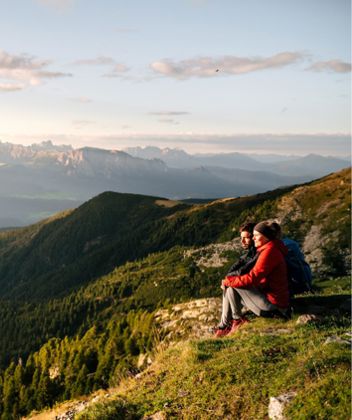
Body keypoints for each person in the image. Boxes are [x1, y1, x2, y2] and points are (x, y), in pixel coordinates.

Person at [214, 221, 290, 338]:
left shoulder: (270, 252)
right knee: (231, 288)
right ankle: (231, 323)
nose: (253, 238)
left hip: (275, 307)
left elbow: (253, 278)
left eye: (256, 235)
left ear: (266, 237)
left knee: (232, 285)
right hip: (270, 299)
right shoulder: (267, 249)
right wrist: (230, 280)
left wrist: (228, 281)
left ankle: (233, 322)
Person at [214, 222, 257, 337]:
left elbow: (244, 270)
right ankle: (224, 325)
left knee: (230, 286)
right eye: (241, 238)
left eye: (246, 238)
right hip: (254, 291)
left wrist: (229, 280)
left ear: (254, 237)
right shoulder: (250, 253)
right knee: (229, 284)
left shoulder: (257, 253)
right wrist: (228, 277)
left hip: (260, 293)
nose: (242, 241)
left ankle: (228, 324)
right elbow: (238, 266)